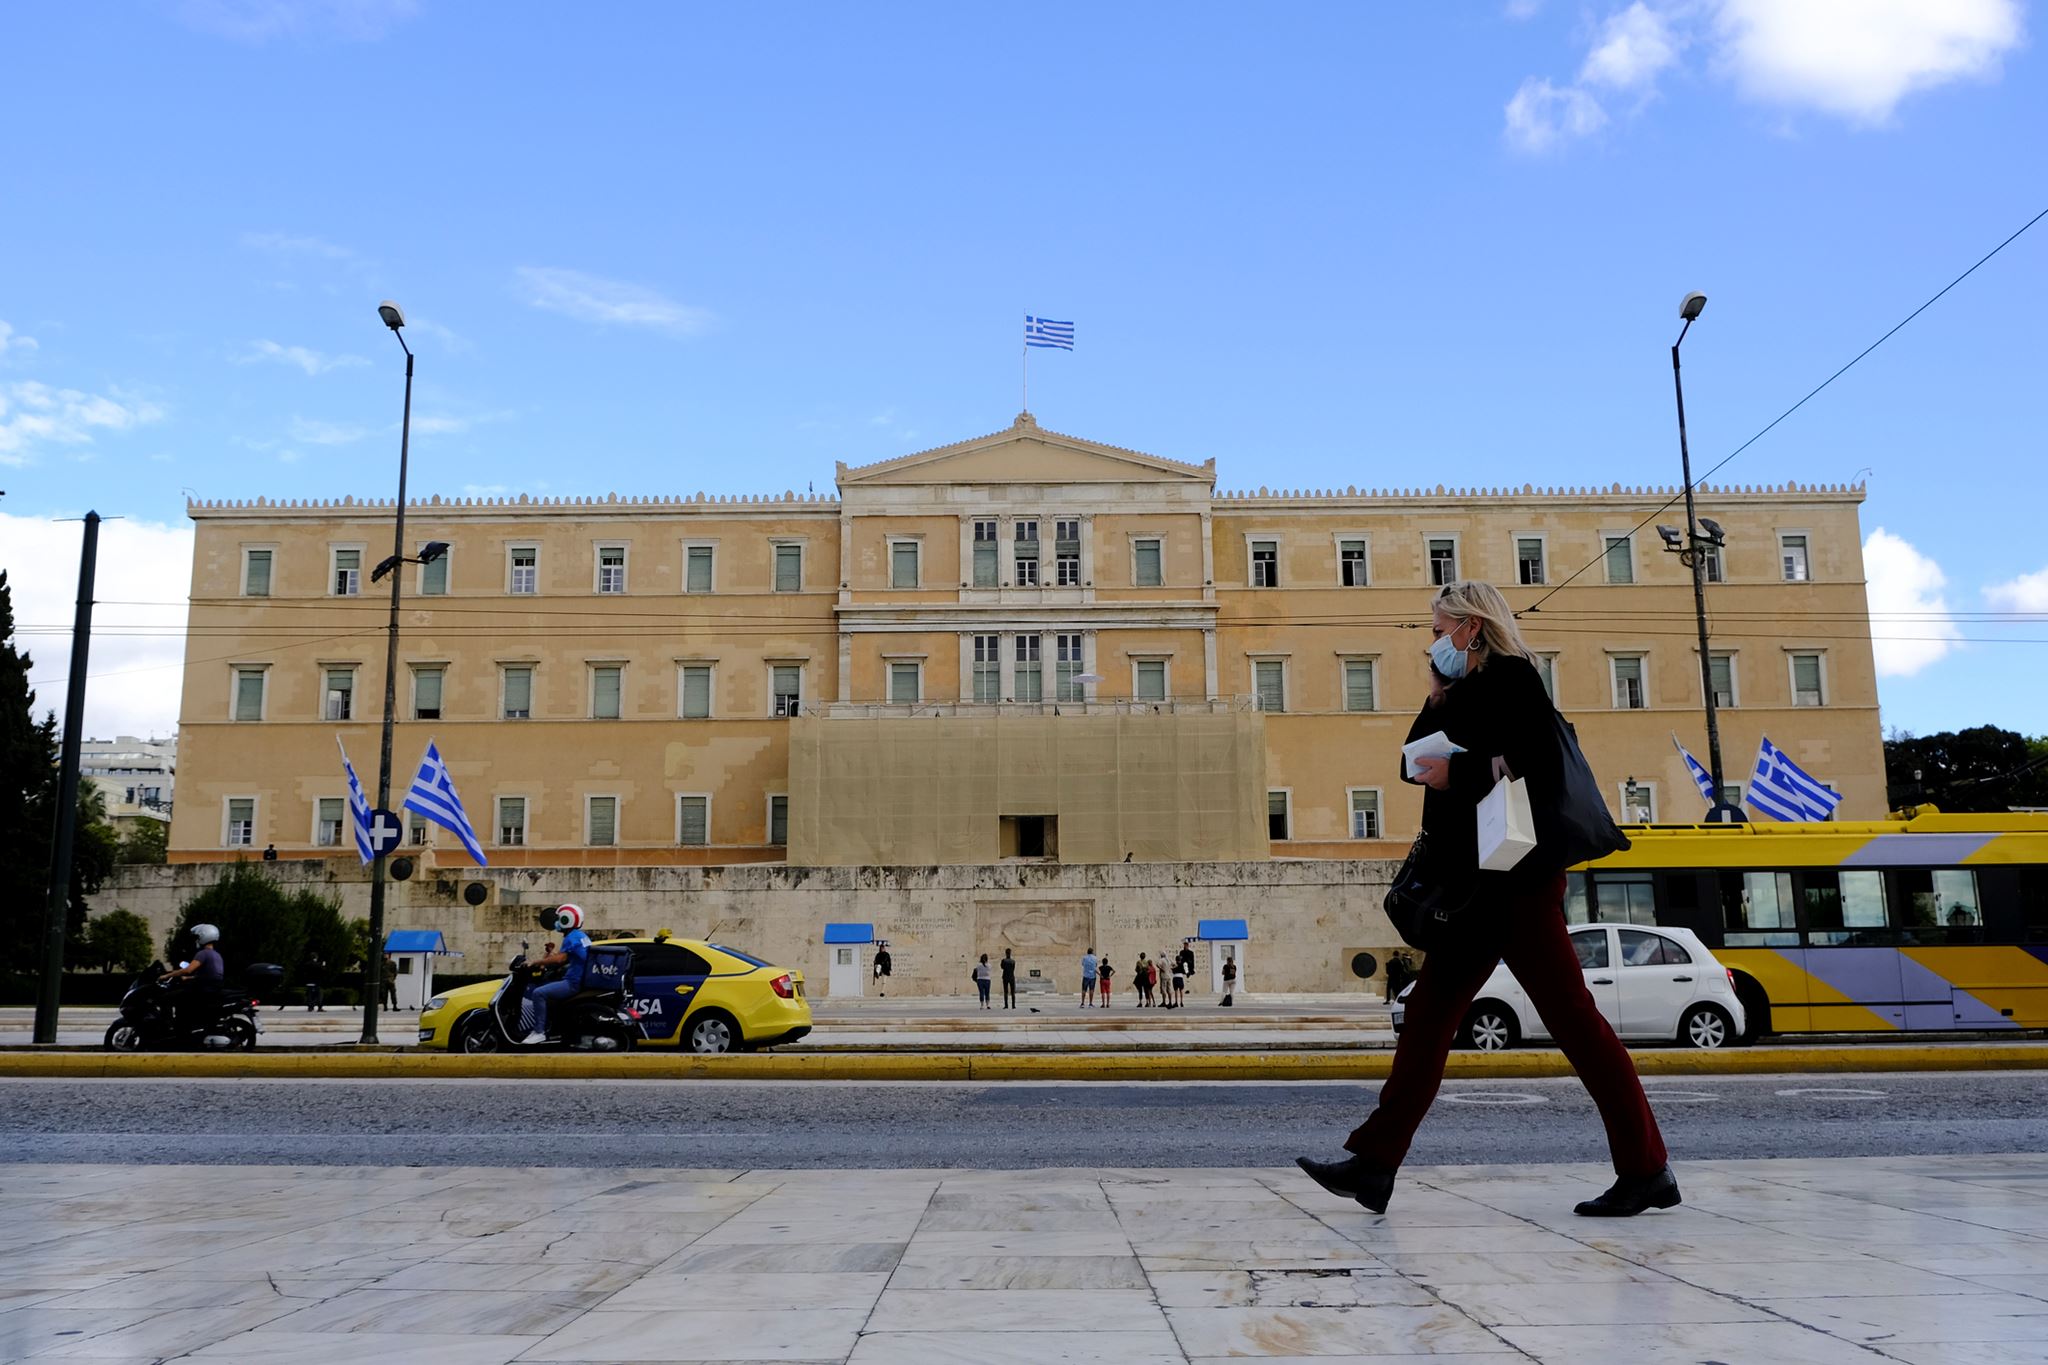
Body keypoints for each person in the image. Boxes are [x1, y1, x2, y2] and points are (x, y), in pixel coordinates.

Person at [1297, 580, 1675, 1219]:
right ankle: (1375, 1164)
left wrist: (1462, 771)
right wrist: (1436, 696)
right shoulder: (1462, 689)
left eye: (1439, 630)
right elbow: (1410, 765)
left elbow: (1533, 764)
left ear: (1471, 627)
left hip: (1518, 885)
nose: (1433, 641)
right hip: (1474, 890)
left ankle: (1647, 1170)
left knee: (1574, 1022)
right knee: (1427, 1019)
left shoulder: (1515, 679)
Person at [523, 904, 591, 1043]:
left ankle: (539, 1031)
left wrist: (536, 962)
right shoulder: (580, 936)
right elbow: (563, 958)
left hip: (573, 982)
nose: (557, 922)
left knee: (538, 993)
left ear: (567, 920)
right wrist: (549, 954)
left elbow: (560, 959)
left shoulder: (571, 937)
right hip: (580, 979)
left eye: (560, 919)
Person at [162, 923, 226, 1039]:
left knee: (167, 997)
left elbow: (188, 970)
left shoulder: (202, 954)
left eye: (197, 937)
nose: (196, 941)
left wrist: (167, 976)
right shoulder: (217, 955)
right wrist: (189, 978)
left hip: (203, 990)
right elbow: (209, 975)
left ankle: (170, 1026)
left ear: (204, 936)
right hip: (212, 989)